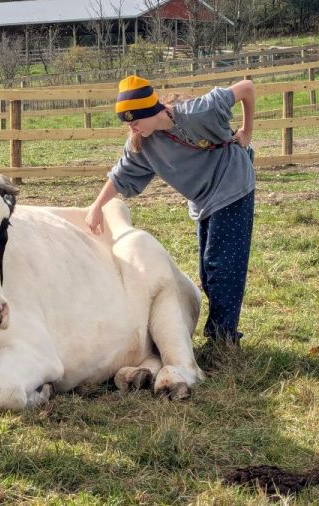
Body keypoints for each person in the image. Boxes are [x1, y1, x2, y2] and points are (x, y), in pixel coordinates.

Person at [86, 75, 256, 358]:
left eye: (136, 121)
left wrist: (247, 131)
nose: (133, 128)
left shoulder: (200, 112)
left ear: (152, 110)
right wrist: (96, 206)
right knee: (208, 267)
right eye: (128, 124)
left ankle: (223, 342)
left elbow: (247, 88)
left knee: (222, 265)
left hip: (233, 185)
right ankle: (220, 335)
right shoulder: (143, 145)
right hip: (203, 200)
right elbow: (121, 175)